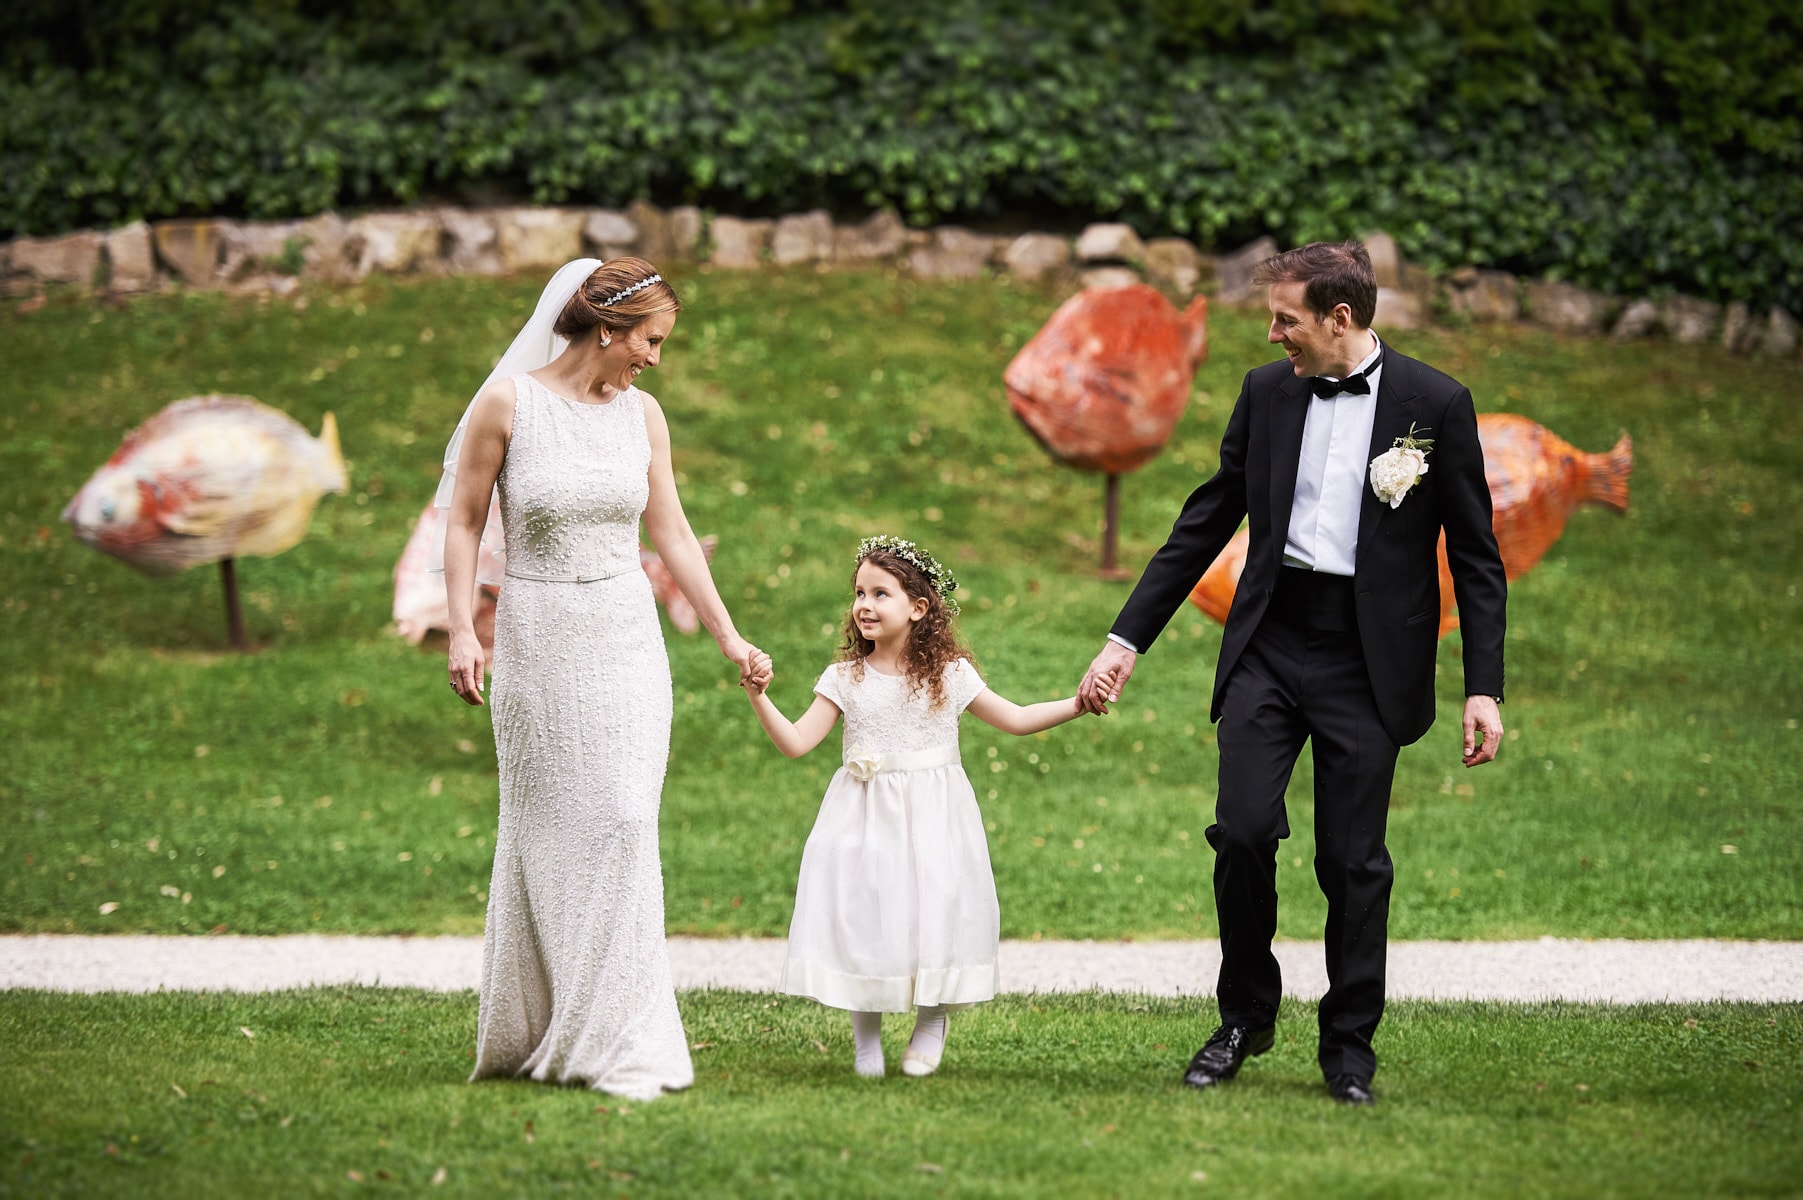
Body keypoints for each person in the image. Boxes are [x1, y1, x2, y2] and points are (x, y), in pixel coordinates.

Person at [1077, 241, 1507, 1106]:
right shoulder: (1265, 394)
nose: (1272, 335)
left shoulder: (1434, 403)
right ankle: (1244, 1017)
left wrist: (1482, 687)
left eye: (1285, 320)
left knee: (1350, 862)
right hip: (1269, 644)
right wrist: (1126, 639)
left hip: (1367, 661)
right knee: (1240, 831)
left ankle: (1348, 1047)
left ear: (1338, 318)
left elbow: (1475, 555)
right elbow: (1204, 521)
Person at [439, 256, 770, 1100]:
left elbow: (674, 534)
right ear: (607, 328)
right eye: (650, 340)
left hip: (625, 636)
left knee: (624, 819)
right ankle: (546, 1030)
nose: (655, 358)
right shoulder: (508, 406)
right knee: (550, 832)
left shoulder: (643, 417)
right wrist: (461, 628)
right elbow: (465, 520)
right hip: (538, 636)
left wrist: (729, 637)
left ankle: (621, 1038)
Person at [743, 535, 1087, 1078]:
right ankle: (866, 1040)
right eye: (859, 592)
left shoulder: (949, 675)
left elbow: (1017, 719)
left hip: (934, 816)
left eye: (881, 593)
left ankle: (932, 1020)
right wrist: (758, 695)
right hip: (862, 818)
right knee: (865, 919)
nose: (864, 604)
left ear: (918, 608)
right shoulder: (845, 679)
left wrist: (1079, 703)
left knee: (935, 913)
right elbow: (795, 742)